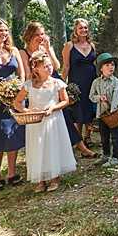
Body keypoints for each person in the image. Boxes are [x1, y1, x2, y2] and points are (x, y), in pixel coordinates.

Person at [20, 21, 98, 158]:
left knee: (66, 116)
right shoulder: (24, 52)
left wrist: (49, 49)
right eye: (37, 34)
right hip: (39, 89)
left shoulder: (44, 48)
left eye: (42, 34)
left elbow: (56, 66)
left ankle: (81, 148)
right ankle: (53, 153)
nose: (41, 37)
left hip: (54, 84)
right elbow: (27, 75)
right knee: (49, 121)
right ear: (29, 36)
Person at [14, 51, 77, 193]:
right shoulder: (29, 85)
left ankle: (55, 177)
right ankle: (40, 179)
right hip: (35, 123)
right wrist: (27, 111)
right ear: (36, 68)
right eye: (45, 66)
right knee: (38, 148)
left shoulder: (57, 83)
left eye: (50, 65)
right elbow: (17, 102)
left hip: (53, 121)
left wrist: (53, 107)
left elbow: (65, 101)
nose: (49, 68)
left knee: (52, 147)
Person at [0, 19, 26, 190]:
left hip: (14, 99)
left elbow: (22, 74)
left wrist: (17, 93)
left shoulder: (14, 50)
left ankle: (11, 172)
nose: (3, 33)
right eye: (0, 30)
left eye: (5, 30)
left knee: (13, 134)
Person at [62, 18, 97, 147]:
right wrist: (61, 84)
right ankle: (78, 139)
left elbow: (94, 64)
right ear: (75, 30)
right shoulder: (69, 46)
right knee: (78, 110)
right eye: (81, 28)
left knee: (90, 107)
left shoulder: (92, 45)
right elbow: (66, 66)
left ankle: (88, 137)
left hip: (91, 80)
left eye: (85, 27)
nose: (84, 30)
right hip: (76, 82)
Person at [90, 53, 118, 167]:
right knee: (104, 137)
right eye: (107, 65)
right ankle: (106, 155)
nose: (111, 67)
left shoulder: (116, 82)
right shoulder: (96, 82)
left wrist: (112, 111)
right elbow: (91, 96)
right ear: (101, 68)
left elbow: (116, 99)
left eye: (112, 64)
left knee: (115, 136)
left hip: (112, 114)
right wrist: (99, 98)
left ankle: (116, 157)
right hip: (101, 114)